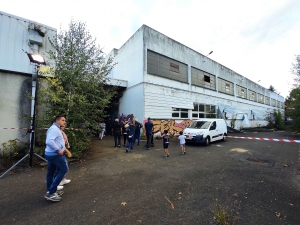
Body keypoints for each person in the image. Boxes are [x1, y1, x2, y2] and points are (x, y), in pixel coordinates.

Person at [44, 115, 69, 202]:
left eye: (64, 120)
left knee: (51, 172)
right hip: (55, 154)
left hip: (50, 154)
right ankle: (51, 192)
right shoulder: (54, 129)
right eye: (62, 120)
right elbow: (49, 141)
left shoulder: (55, 128)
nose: (64, 122)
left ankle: (50, 190)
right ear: (57, 120)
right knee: (64, 169)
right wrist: (58, 149)